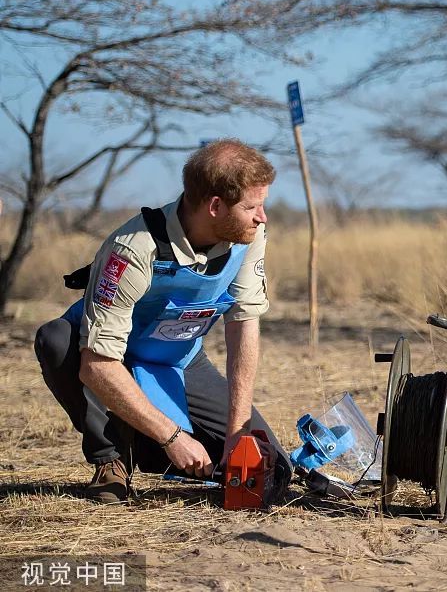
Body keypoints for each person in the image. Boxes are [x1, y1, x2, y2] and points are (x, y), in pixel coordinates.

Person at [34, 139, 291, 504]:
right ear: (214, 206)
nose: (262, 216)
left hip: (178, 357)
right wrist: (173, 437)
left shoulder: (248, 236)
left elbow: (243, 322)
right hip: (110, 357)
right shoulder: (134, 249)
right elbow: (97, 366)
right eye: (252, 206)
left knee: (272, 471)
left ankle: (149, 448)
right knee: (55, 338)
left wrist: (238, 431)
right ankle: (113, 459)